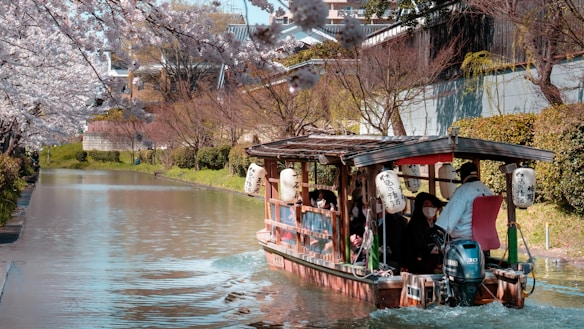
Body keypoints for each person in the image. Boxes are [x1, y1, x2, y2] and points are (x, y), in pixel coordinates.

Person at [436, 162, 493, 241]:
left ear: (462, 175)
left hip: (464, 236)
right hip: (485, 235)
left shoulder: (463, 191)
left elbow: (446, 223)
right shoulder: (488, 191)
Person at [403, 192, 443, 274]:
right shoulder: (416, 225)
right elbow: (419, 247)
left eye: (432, 206)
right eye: (426, 206)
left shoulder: (436, 226)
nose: (429, 209)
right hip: (418, 266)